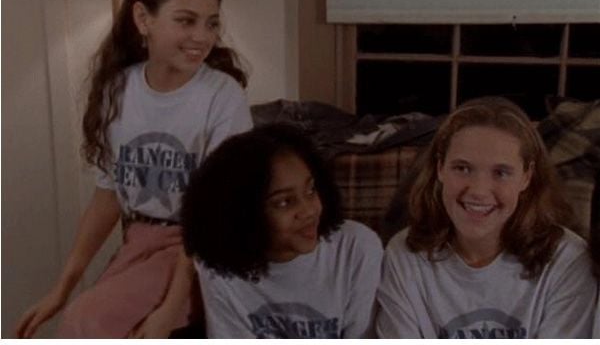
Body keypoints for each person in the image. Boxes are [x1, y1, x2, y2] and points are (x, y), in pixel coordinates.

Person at [15, 0, 252, 339]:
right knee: (81, 317)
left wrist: (169, 309)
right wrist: (62, 288)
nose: (202, 37)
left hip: (201, 248)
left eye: (211, 23)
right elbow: (108, 196)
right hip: (140, 243)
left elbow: (214, 214)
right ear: (143, 19)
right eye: (186, 20)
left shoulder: (222, 96)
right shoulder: (118, 91)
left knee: (88, 322)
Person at [376, 96, 598, 338]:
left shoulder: (567, 260)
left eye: (501, 173)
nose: (479, 191)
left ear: (526, 177)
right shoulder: (404, 254)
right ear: (440, 168)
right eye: (462, 168)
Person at [180, 123, 383, 338]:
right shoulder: (219, 267)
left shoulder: (356, 248)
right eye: (284, 202)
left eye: (311, 190)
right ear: (243, 214)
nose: (308, 211)